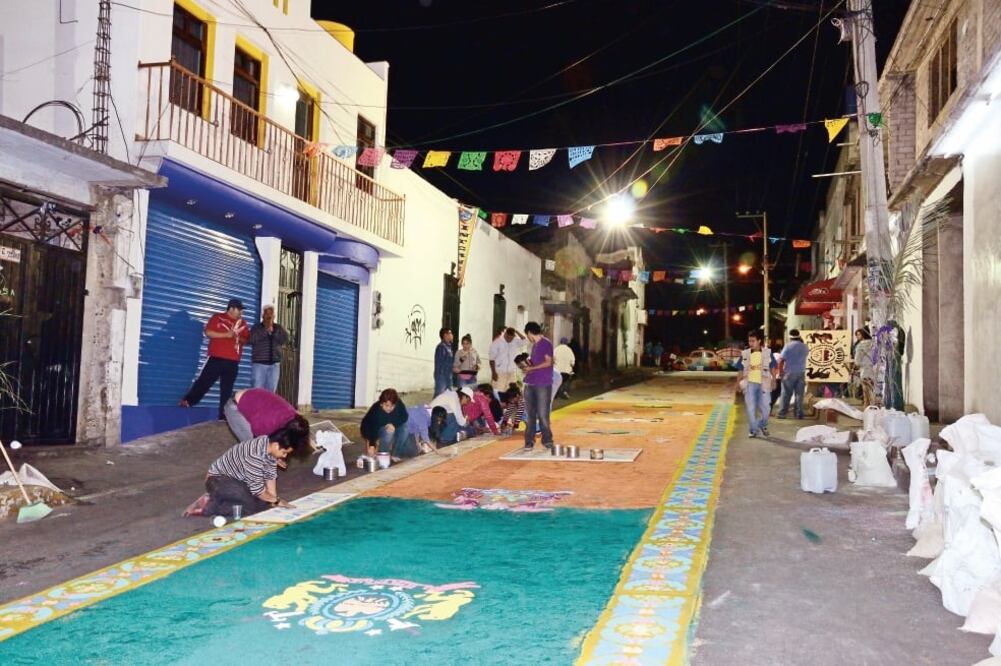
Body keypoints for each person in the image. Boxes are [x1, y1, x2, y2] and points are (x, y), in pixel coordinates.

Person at [204, 418, 309, 517]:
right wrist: (276, 500)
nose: (284, 456)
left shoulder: (268, 444)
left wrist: (273, 500)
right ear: (276, 446)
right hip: (218, 479)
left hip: (239, 480)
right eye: (284, 452)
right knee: (251, 507)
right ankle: (210, 506)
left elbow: (270, 476)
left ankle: (222, 497)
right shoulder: (254, 455)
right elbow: (258, 491)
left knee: (263, 502)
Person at [179, 298, 250, 419]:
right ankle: (188, 401)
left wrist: (237, 337)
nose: (241, 312)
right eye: (239, 309)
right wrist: (226, 335)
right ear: (231, 308)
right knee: (204, 382)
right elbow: (208, 332)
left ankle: (224, 416)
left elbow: (246, 340)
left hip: (233, 361)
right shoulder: (217, 317)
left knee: (227, 390)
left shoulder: (242, 323)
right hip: (216, 358)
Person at [521, 322, 555, 450]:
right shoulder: (534, 346)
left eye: (527, 334)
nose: (528, 337)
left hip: (543, 384)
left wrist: (532, 367)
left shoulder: (546, 343)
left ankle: (547, 440)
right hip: (530, 383)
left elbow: (548, 362)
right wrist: (527, 367)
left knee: (542, 414)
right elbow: (536, 363)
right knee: (529, 415)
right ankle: (529, 441)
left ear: (529, 332)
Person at [736, 330, 777, 438]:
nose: (751, 343)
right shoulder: (745, 354)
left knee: (766, 409)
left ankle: (762, 424)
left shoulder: (767, 353)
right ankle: (753, 430)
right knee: (750, 408)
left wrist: (774, 380)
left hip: (764, 384)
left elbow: (773, 367)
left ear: (759, 341)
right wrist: (737, 384)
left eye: (753, 341)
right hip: (749, 384)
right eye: (749, 341)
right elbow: (740, 369)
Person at [360, 388, 417, 459]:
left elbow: (404, 416)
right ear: (381, 403)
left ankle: (395, 454)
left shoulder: (398, 403)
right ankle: (383, 454)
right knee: (389, 432)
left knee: (405, 428)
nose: (389, 408)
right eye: (387, 405)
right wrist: (372, 445)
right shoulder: (376, 411)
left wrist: (394, 424)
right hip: (371, 428)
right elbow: (371, 429)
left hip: (391, 425)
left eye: (392, 406)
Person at [248, 304, 288, 393]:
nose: (269, 316)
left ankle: (268, 407)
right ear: (263, 315)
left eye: (271, 314)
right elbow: (250, 340)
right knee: (257, 391)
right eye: (267, 313)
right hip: (259, 365)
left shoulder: (278, 328)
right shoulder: (256, 327)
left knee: (271, 392)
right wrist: (265, 330)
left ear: (274, 316)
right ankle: (256, 407)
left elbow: (284, 340)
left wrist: (274, 332)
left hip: (274, 365)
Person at [777, 329, 809, 419]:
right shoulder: (805, 346)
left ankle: (782, 413)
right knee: (799, 394)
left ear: (790, 336)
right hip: (801, 373)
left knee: (786, 394)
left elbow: (781, 360)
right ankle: (799, 414)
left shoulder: (788, 346)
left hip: (789, 373)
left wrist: (780, 372)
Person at [854, 328, 876, 406]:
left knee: (866, 390)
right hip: (874, 369)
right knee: (873, 389)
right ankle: (873, 406)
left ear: (863, 334)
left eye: (858, 334)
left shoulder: (860, 346)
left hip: (865, 369)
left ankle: (867, 408)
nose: (857, 337)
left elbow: (857, 360)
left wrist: (856, 365)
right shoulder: (874, 343)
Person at [433, 328, 454, 397]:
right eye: (450, 333)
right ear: (445, 335)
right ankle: (433, 407)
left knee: (448, 396)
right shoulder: (441, 347)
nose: (452, 335)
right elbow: (441, 363)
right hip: (442, 376)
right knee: (439, 396)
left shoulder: (448, 347)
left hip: (448, 375)